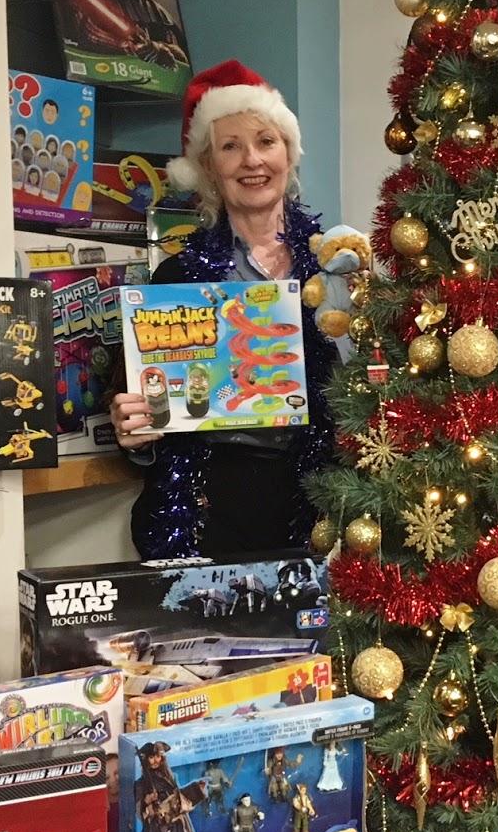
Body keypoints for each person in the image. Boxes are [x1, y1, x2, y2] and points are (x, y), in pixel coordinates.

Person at [109, 61, 352, 558]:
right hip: (211, 505)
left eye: (266, 141)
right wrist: (135, 431)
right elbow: (142, 413)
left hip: (324, 499)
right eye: (230, 147)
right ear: (208, 168)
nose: (251, 160)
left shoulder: (338, 267)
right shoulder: (175, 280)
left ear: (289, 153)